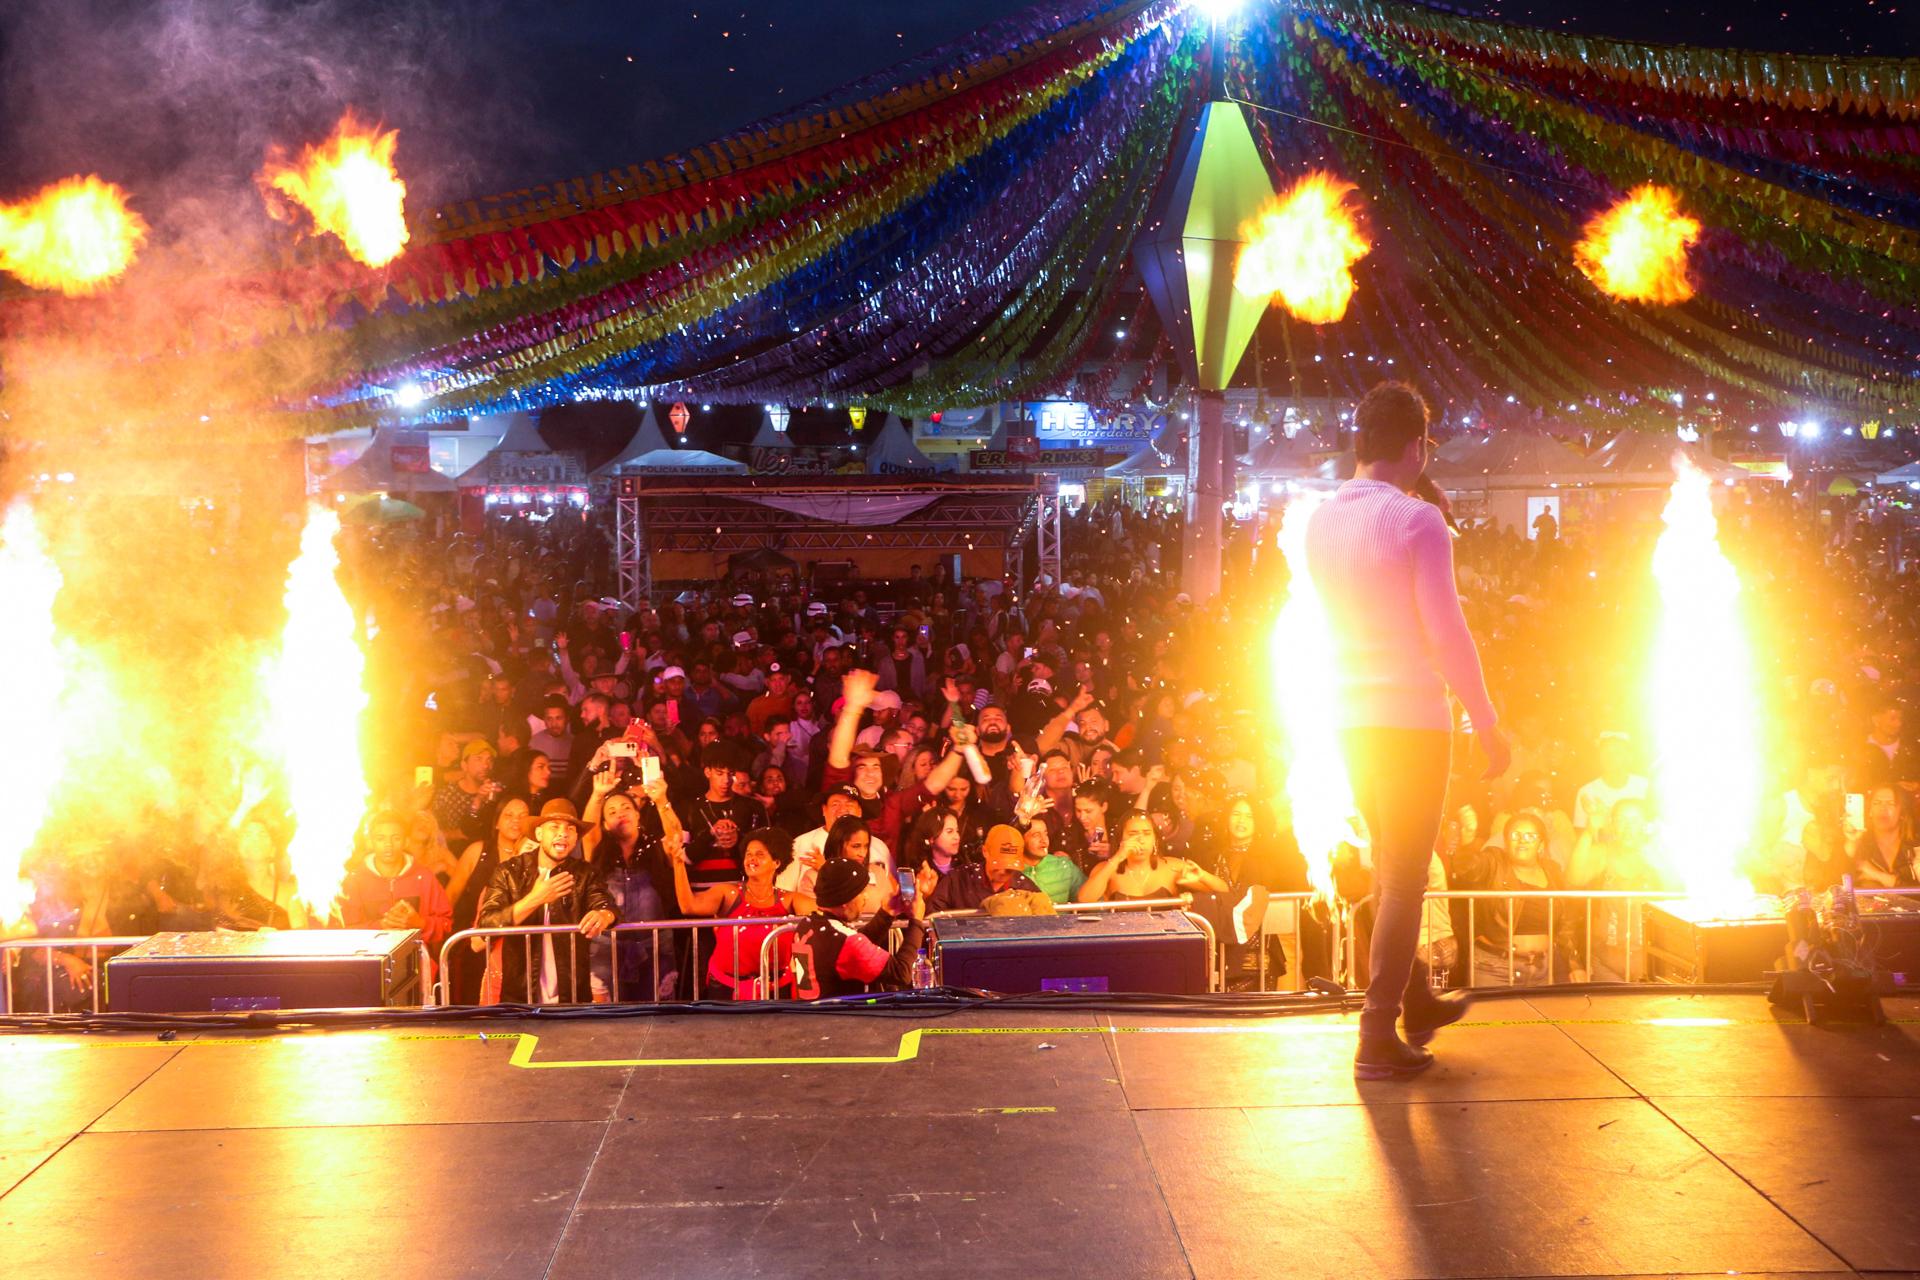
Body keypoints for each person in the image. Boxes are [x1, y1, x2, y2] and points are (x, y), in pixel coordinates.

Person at [1304, 380, 1510, 1079]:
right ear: (1418, 446)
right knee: (1403, 878)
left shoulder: (1321, 520)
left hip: (1351, 719)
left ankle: (1414, 996)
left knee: (1388, 867)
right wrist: (1487, 722)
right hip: (1413, 722)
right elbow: (1446, 632)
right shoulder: (1417, 520)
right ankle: (1376, 1032)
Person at [476, 799, 617, 1004]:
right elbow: (486, 924)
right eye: (554, 827)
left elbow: (606, 904)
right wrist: (535, 899)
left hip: (571, 995)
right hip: (521, 996)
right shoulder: (509, 872)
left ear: (576, 838)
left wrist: (604, 915)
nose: (563, 833)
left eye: (570, 829)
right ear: (539, 834)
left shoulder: (585, 873)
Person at [670, 826, 796, 999]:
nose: (751, 859)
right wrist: (678, 864)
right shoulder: (728, 893)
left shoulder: (789, 899)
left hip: (777, 989)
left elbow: (824, 909)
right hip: (725, 989)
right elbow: (689, 906)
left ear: (777, 862)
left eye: (760, 854)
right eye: (748, 854)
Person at [789, 856, 936, 1000]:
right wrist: (916, 921)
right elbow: (901, 972)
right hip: (840, 1015)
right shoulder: (847, 942)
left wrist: (887, 913)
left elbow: (853, 951)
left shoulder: (806, 925)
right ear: (845, 899)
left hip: (809, 1011)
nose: (866, 897)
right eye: (861, 892)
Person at [339, 811, 455, 975]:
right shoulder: (354, 880)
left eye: (396, 838)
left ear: (406, 841)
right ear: (370, 842)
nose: (388, 845)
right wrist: (381, 926)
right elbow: (343, 931)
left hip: (416, 969)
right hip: (369, 968)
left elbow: (446, 924)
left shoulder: (423, 877)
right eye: (381, 838)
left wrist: (419, 923)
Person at [445, 796, 529, 1005]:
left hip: (518, 946)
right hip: (477, 941)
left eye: (523, 816)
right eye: (508, 815)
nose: (516, 820)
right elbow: (451, 895)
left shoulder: (534, 856)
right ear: (497, 822)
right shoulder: (478, 851)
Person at [1076, 813, 1228, 903]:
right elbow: (1084, 899)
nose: (1140, 840)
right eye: (1133, 834)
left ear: (1155, 839)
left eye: (1147, 833)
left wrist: (1202, 875)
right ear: (1121, 839)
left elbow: (1224, 891)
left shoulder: (1171, 866)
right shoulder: (1105, 869)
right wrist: (1117, 858)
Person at [1572, 732, 1650, 833]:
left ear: (1629, 757)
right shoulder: (1587, 792)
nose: (1609, 757)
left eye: (1617, 752)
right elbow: (1580, 834)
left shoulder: (1645, 786)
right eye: (1605, 752)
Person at [1014, 817, 1085, 906]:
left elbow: (1088, 901)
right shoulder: (1009, 871)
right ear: (1020, 839)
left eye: (1045, 834)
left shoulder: (1064, 866)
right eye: (1036, 835)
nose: (1044, 840)